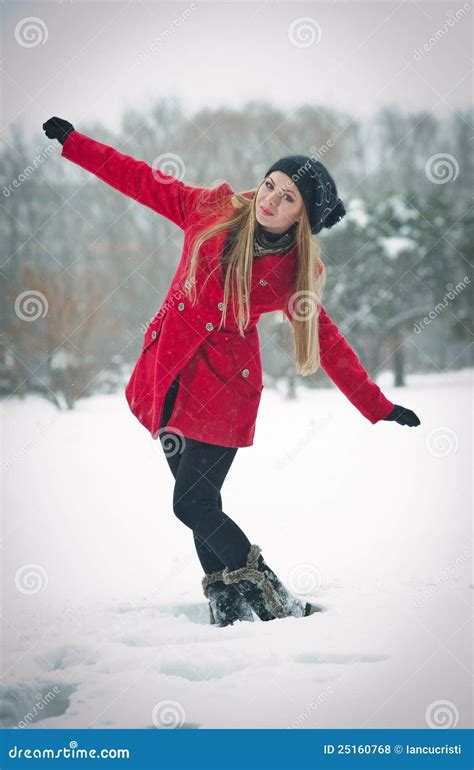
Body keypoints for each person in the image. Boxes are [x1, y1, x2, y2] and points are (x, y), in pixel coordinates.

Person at [43, 116, 421, 628]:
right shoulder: (208, 209)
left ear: (302, 217)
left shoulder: (292, 274)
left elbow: (328, 342)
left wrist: (378, 405)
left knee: (191, 504)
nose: (271, 199)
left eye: (288, 198)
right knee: (204, 503)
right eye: (271, 185)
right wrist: (75, 143)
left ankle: (272, 594)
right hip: (169, 379)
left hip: (224, 392)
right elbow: (138, 178)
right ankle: (226, 603)